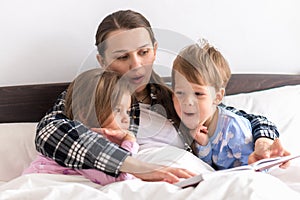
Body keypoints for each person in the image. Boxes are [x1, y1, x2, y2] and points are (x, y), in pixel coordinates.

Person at [35, 9, 287, 183]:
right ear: (102, 61)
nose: (137, 65)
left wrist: (263, 143)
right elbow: (49, 132)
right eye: (122, 57)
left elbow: (243, 118)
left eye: (143, 52)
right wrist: (134, 166)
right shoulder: (91, 92)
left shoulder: (174, 97)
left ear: (155, 51)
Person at [24, 69, 140, 185]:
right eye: (117, 110)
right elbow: (121, 176)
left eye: (128, 112)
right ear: (84, 114)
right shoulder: (84, 142)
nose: (126, 119)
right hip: (40, 185)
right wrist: (130, 142)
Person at [171, 43, 255, 169]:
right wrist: (203, 144)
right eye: (180, 93)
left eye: (198, 94)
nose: (187, 101)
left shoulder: (232, 127)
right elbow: (209, 167)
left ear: (217, 97)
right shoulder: (191, 127)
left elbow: (255, 166)